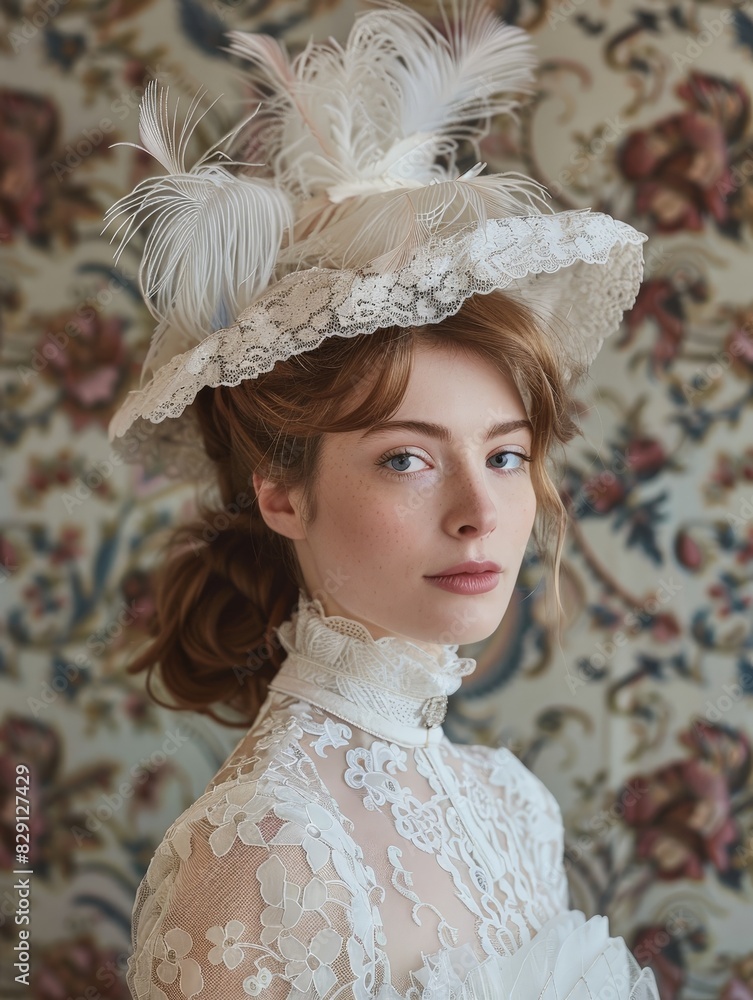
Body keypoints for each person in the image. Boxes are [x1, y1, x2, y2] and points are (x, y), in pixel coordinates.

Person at [103, 1, 659, 996]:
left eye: (503, 455)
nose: (479, 513)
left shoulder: (515, 803)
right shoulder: (255, 854)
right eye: (407, 458)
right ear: (280, 492)